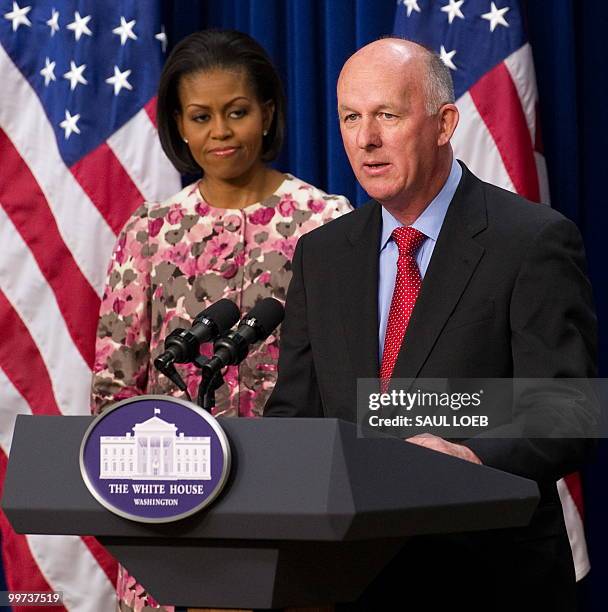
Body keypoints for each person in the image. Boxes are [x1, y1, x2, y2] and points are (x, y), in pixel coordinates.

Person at [264, 38, 597, 611]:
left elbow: (567, 409)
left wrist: (471, 457)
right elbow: (296, 414)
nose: (365, 139)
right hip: (349, 579)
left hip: (487, 575)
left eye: (386, 116)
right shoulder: (323, 254)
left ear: (444, 124)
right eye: (351, 117)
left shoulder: (531, 240)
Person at [90, 29, 350, 612]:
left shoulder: (328, 222)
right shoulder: (149, 231)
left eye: (236, 112)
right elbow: (115, 386)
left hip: (294, 510)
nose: (221, 133)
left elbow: (349, 375)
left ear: (268, 112)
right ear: (178, 126)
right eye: (200, 117)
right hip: (168, 511)